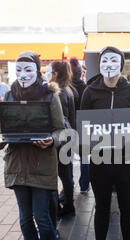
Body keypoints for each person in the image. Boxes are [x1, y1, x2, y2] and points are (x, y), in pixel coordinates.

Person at [0, 51, 65, 240]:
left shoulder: (50, 96)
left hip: (41, 165)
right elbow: (1, 130)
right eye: (19, 70)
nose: (23, 75)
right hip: (18, 165)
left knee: (42, 217)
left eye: (28, 69)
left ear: (37, 70)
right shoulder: (9, 96)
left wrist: (52, 140)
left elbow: (61, 130)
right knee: (25, 218)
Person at [81, 46, 130, 240]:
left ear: (121, 64)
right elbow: (83, 127)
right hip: (99, 161)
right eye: (104, 60)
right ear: (99, 64)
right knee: (101, 206)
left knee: (127, 206)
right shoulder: (90, 92)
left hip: (126, 160)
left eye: (114, 60)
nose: (109, 64)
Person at [50, 60, 76, 217]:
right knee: (67, 174)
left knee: (60, 174)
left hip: (61, 136)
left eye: (51, 70)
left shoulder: (57, 92)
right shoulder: (69, 89)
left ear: (56, 73)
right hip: (69, 134)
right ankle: (69, 204)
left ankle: (65, 207)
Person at [69, 57, 90, 194]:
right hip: (84, 125)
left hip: (69, 126)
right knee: (84, 157)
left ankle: (69, 183)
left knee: (67, 156)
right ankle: (84, 185)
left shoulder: (65, 89)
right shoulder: (86, 88)